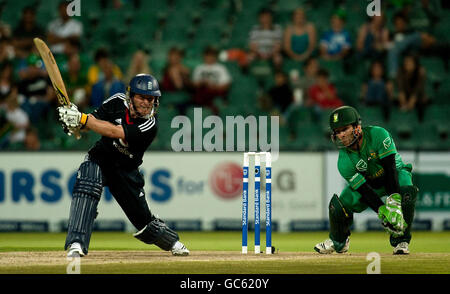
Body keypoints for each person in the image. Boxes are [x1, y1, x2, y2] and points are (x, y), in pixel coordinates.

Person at [57, 74, 189, 257]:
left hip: (126, 170)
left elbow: (114, 131)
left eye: (150, 98)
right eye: (141, 97)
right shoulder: (117, 101)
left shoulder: (150, 124)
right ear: (131, 96)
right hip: (101, 158)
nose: (146, 103)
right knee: (86, 185)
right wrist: (74, 122)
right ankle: (76, 243)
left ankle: (172, 241)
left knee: (144, 221)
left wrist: (82, 119)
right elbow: (91, 122)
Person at [314, 106, 418, 255]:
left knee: (406, 191)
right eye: (337, 132)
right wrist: (382, 211)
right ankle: (339, 241)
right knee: (338, 206)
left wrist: (394, 202)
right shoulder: (343, 161)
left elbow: (390, 170)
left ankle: (400, 241)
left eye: (344, 129)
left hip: (395, 176)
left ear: (357, 126)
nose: (341, 135)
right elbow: (364, 190)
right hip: (371, 184)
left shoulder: (378, 134)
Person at [191, 46, 231, 113]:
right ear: (204, 56)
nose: (210, 57)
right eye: (208, 55)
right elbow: (194, 84)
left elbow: (226, 85)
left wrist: (213, 87)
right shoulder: (199, 68)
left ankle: (211, 108)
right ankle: (210, 108)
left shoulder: (220, 68)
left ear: (215, 57)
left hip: (216, 91)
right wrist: (203, 83)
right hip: (202, 90)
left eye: (212, 55)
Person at [396, 54, 427, 121]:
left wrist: (414, 97)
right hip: (405, 95)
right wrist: (401, 93)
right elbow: (399, 85)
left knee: (422, 100)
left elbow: (419, 87)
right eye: (406, 62)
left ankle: (420, 121)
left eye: (410, 62)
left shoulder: (420, 72)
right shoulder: (400, 71)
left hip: (417, 96)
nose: (407, 64)